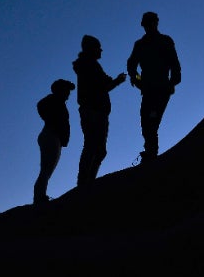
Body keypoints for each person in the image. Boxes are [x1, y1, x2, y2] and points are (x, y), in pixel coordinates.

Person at [125, 10, 181, 162]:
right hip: (148, 90)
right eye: (147, 24)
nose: (149, 26)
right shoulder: (140, 44)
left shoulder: (165, 41)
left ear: (156, 23)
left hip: (162, 88)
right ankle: (150, 152)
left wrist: (172, 82)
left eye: (151, 23)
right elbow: (131, 65)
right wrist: (138, 80)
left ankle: (151, 153)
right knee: (146, 122)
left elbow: (175, 64)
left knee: (152, 121)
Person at [71, 36, 124, 188]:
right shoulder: (90, 66)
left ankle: (86, 183)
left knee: (95, 148)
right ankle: (85, 184)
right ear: (91, 49)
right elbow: (103, 86)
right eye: (98, 48)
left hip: (93, 111)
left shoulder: (88, 65)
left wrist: (113, 81)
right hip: (94, 111)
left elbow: (104, 83)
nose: (101, 51)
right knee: (94, 148)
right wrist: (117, 81)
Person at [32, 78, 73, 205]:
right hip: (51, 135)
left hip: (53, 136)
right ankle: (39, 198)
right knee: (46, 170)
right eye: (66, 89)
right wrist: (50, 120)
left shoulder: (58, 102)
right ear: (60, 89)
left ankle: (40, 197)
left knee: (46, 170)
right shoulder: (54, 100)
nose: (69, 93)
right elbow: (40, 105)